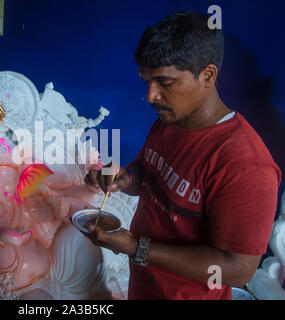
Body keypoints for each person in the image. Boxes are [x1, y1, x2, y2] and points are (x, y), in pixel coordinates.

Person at [83, 11, 282, 300]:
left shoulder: (245, 165)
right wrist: (125, 178)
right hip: (145, 287)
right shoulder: (170, 120)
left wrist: (137, 248)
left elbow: (240, 269)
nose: (151, 95)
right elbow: (146, 175)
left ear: (208, 75)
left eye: (165, 82)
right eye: (147, 81)